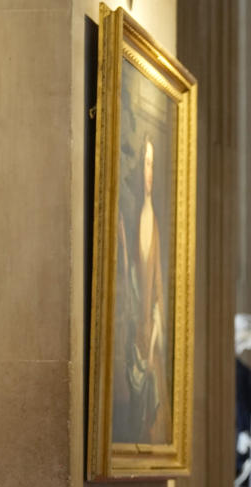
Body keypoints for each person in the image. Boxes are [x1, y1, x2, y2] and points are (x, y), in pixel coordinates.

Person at [113, 134, 170, 444]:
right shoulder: (131, 217)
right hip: (134, 332)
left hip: (150, 333)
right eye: (145, 164)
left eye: (152, 165)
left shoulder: (153, 221)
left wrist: (155, 324)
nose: (148, 172)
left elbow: (157, 286)